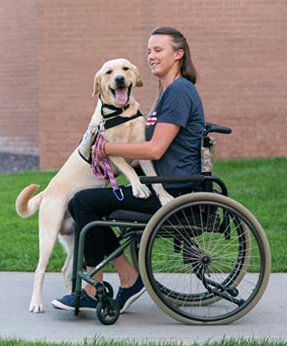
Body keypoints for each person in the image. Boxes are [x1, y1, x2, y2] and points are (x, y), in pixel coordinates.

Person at [51, 26, 205, 313]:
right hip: (160, 182)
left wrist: (108, 149)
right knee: (89, 199)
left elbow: (155, 149)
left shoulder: (179, 92)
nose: (151, 56)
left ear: (178, 54)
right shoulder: (169, 93)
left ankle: (111, 283)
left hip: (173, 189)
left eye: (158, 50)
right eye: (148, 51)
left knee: (83, 202)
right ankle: (110, 282)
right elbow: (146, 150)